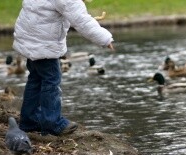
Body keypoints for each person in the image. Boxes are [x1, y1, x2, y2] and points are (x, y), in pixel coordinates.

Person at [13, 0, 114, 136]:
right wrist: (105, 39)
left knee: (35, 80)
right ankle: (52, 123)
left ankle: (29, 121)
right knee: (51, 82)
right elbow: (82, 21)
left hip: (30, 39)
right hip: (44, 45)